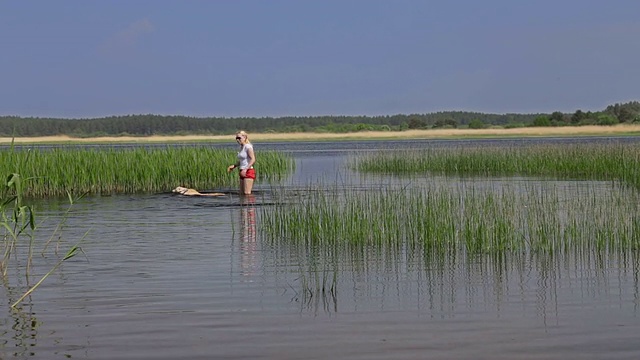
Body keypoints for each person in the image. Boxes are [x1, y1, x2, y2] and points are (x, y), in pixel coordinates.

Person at [227, 130, 256, 195]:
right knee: (242, 193)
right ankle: (242, 204)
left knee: (247, 193)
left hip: (248, 171)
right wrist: (234, 166)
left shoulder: (248, 146)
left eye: (239, 138)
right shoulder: (242, 147)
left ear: (245, 137)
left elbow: (253, 159)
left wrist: (245, 169)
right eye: (236, 138)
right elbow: (242, 160)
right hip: (242, 170)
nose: (238, 140)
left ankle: (251, 204)